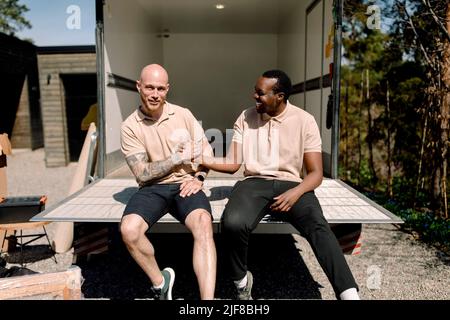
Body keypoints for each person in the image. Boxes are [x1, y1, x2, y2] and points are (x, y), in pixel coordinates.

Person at [197, 69, 360, 300]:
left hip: (292, 185)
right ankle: (242, 281)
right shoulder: (246, 117)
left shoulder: (305, 121)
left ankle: (349, 294)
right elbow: (234, 164)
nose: (254, 96)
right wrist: (201, 160)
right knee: (233, 223)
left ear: (280, 96)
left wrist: (296, 193)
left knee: (318, 226)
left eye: (260, 93)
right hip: (253, 183)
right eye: (255, 91)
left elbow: (315, 174)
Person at [120, 64, 217, 300]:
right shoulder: (130, 126)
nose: (155, 94)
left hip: (186, 183)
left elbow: (207, 152)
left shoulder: (183, 114)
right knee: (129, 230)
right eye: (150, 87)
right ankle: (160, 282)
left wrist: (200, 177)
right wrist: (177, 158)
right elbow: (142, 173)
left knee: (204, 224)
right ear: (138, 86)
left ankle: (207, 303)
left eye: (160, 89)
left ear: (167, 89)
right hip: (152, 188)